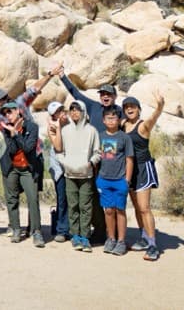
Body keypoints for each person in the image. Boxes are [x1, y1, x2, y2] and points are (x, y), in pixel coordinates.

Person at [50, 100, 100, 253]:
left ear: (83, 111)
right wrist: (65, 163)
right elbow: (59, 150)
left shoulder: (92, 131)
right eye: (72, 110)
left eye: (77, 109)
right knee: (73, 206)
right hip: (70, 174)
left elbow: (98, 152)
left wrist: (90, 163)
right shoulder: (65, 131)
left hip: (86, 174)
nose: (74, 112)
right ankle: (75, 236)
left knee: (85, 206)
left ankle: (85, 236)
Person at [122, 94, 164, 261]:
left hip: (143, 169)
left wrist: (160, 107)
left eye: (133, 106)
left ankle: (153, 244)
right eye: (126, 107)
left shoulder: (143, 126)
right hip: (129, 170)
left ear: (139, 109)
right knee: (137, 207)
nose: (130, 109)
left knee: (144, 207)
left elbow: (154, 118)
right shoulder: (123, 124)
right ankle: (144, 237)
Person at [0, 102, 45, 247]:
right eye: (5, 113)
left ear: (18, 111)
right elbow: (12, 150)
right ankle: (16, 229)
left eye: (9, 112)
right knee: (11, 199)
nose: (7, 115)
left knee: (32, 199)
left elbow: (28, 148)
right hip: (12, 167)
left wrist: (16, 133)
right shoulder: (7, 129)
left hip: (28, 168)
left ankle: (36, 232)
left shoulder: (32, 127)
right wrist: (10, 133)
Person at [96, 105, 134, 256]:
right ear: (103, 120)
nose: (111, 120)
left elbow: (129, 159)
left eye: (114, 118)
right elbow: (96, 158)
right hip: (104, 179)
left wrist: (127, 180)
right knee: (108, 210)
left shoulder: (125, 137)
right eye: (108, 118)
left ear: (119, 120)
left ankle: (121, 241)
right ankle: (110, 238)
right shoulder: (100, 136)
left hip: (120, 180)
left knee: (120, 210)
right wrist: (97, 178)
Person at [44, 101, 71, 243]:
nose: (61, 113)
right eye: (57, 112)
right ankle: (62, 229)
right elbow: (59, 148)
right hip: (59, 168)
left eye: (62, 109)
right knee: (62, 198)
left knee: (73, 198)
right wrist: (59, 127)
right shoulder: (53, 128)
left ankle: (73, 228)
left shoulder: (72, 124)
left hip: (73, 167)